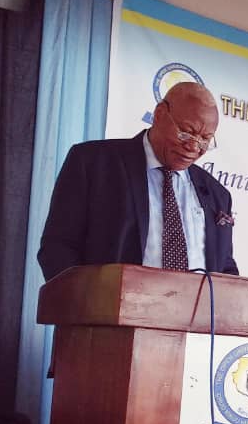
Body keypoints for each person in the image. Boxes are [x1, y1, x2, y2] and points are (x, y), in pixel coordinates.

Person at [38, 82, 237, 281]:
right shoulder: (92, 163)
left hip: (195, 311)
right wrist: (86, 305)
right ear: (159, 114)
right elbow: (58, 248)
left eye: (205, 139)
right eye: (185, 132)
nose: (193, 147)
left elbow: (225, 268)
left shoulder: (218, 194)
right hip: (107, 309)